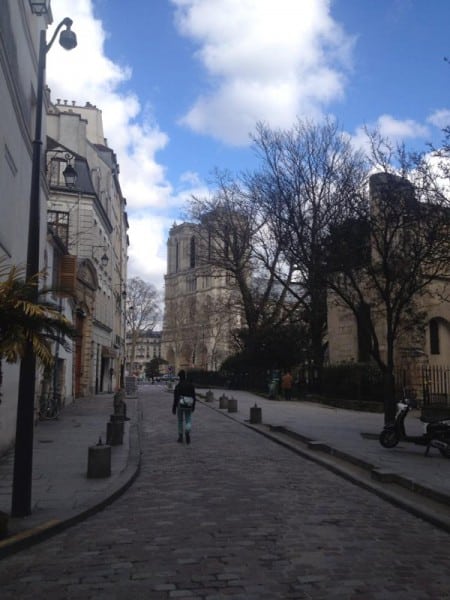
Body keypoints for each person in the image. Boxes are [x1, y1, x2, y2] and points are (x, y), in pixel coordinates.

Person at [172, 369, 196, 444]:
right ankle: (187, 431)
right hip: (189, 405)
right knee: (188, 420)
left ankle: (180, 437)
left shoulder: (178, 386)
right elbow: (194, 397)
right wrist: (193, 406)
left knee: (180, 421)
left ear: (179, 377)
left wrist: (174, 407)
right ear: (185, 376)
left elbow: (175, 398)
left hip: (180, 405)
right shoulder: (190, 385)